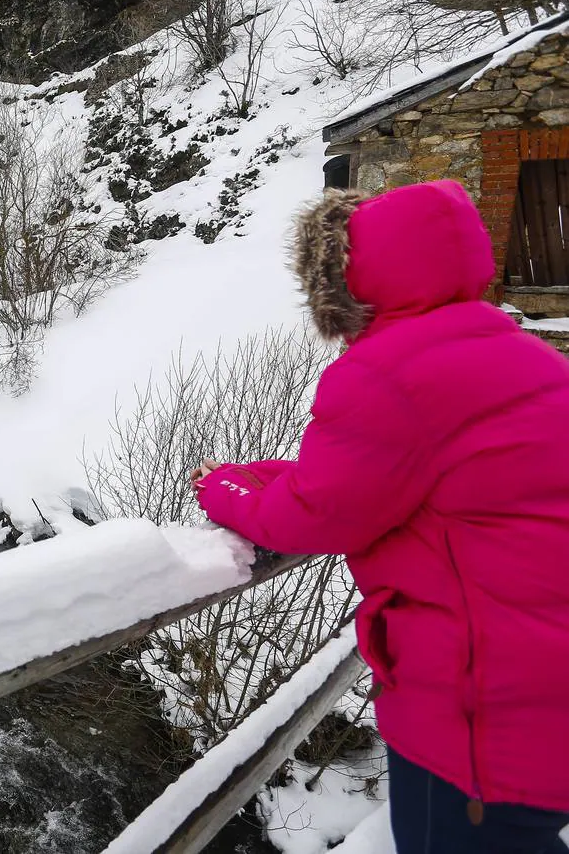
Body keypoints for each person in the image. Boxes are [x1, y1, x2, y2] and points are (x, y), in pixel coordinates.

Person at [191, 179, 569, 853]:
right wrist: (267, 476)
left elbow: (320, 514)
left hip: (484, 712)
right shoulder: (526, 357)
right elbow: (389, 483)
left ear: (345, 283)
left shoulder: (384, 375)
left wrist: (223, 490)